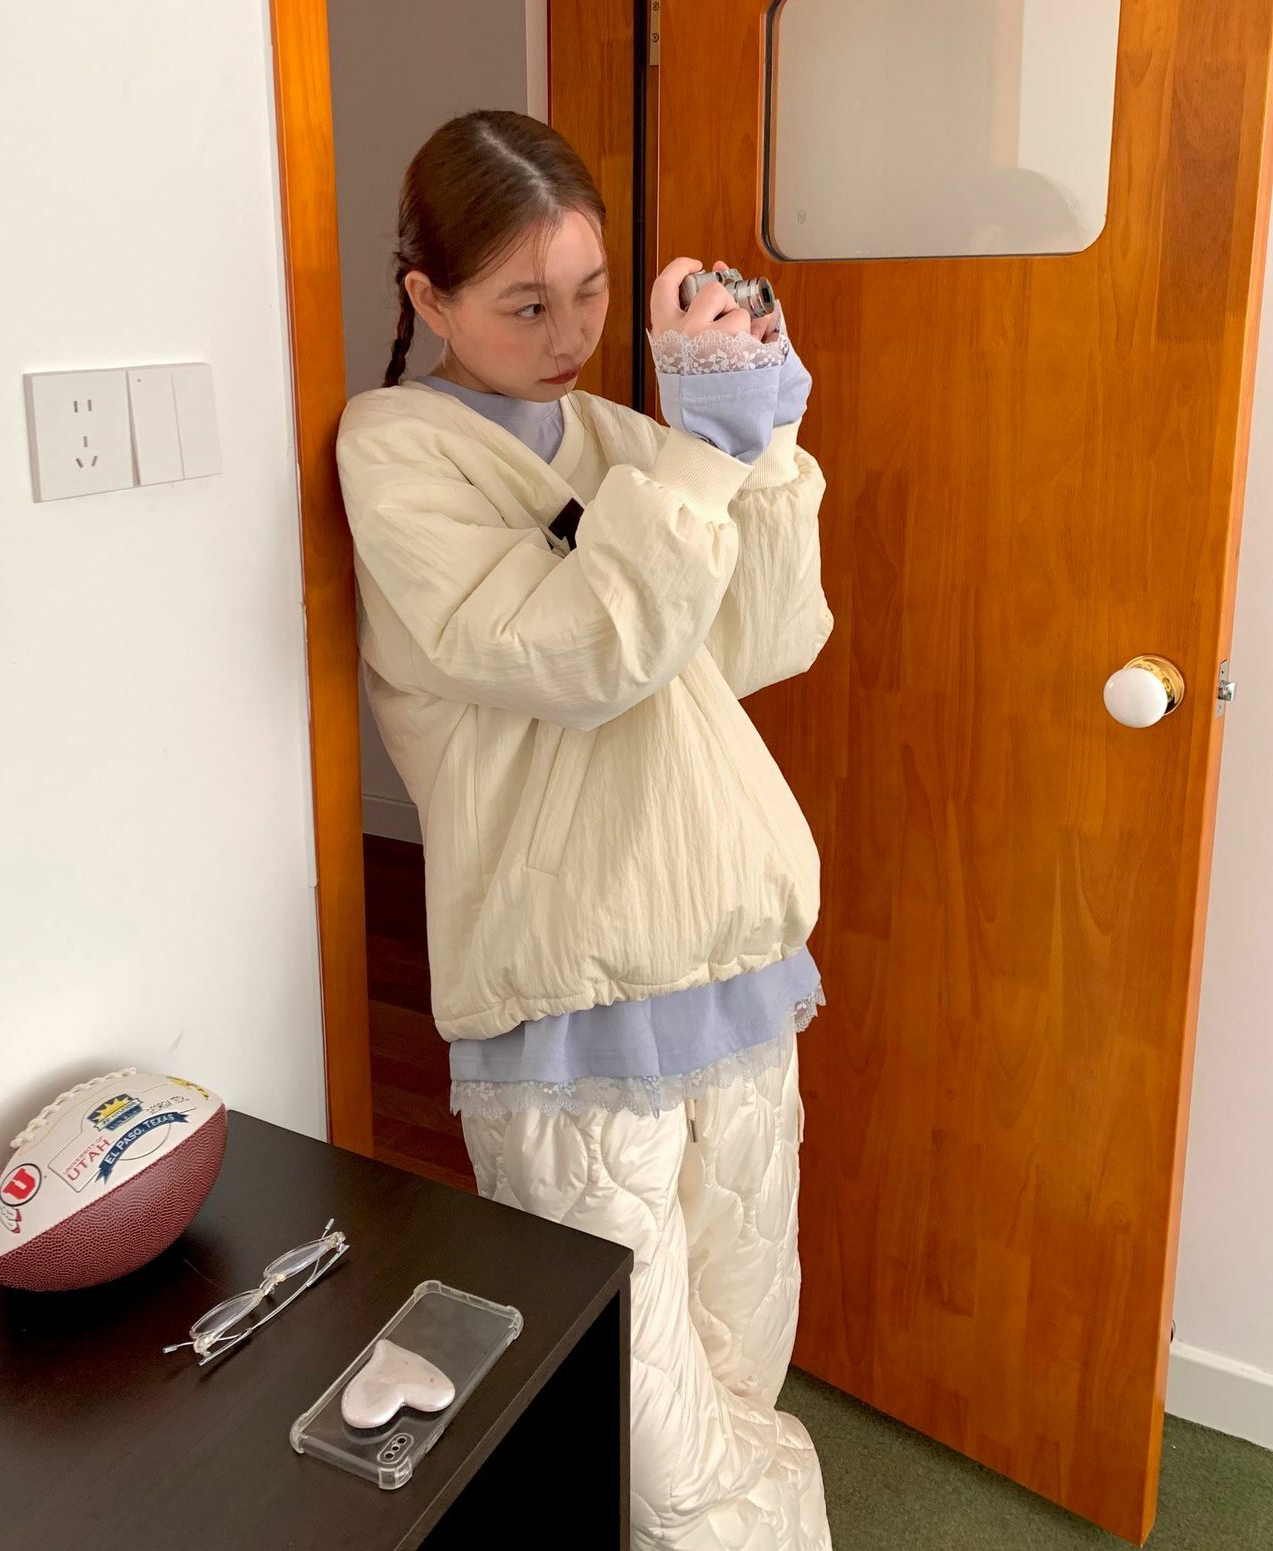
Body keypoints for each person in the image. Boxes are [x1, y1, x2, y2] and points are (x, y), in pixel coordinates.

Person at [335, 110, 835, 1550]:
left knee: (740, 1363)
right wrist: (697, 464)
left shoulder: (624, 438)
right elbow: (583, 653)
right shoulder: (398, 454)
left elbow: (762, 640)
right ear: (428, 299)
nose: (569, 335)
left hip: (735, 965)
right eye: (526, 304)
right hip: (568, 992)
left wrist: (763, 439)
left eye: (594, 292)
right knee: (642, 1426)